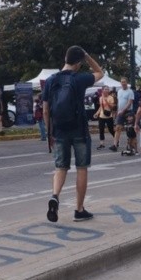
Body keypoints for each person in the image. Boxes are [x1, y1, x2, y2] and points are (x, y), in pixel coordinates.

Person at [42, 46, 104, 222]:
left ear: (65, 59)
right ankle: (79, 209)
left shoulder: (51, 80)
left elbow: (46, 110)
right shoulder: (80, 78)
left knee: (60, 167)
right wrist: (87, 56)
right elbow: (100, 72)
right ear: (78, 63)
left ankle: (55, 195)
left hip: (60, 131)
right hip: (79, 129)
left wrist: (50, 132)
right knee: (81, 168)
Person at [111, 77, 134, 152]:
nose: (123, 83)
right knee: (118, 128)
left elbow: (130, 102)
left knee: (129, 129)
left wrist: (123, 110)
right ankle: (115, 145)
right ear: (120, 83)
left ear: (127, 82)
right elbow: (119, 102)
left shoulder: (130, 91)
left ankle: (130, 146)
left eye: (124, 82)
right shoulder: (119, 91)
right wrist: (118, 111)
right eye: (122, 82)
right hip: (120, 112)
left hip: (128, 112)